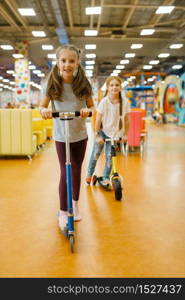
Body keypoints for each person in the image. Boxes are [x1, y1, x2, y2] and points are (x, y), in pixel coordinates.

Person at [39, 44, 94, 231]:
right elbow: (42, 106)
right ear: (57, 62)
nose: (67, 65)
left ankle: (75, 203)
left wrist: (88, 111)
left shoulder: (83, 84)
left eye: (71, 61)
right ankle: (63, 211)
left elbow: (92, 107)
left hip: (79, 134)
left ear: (77, 62)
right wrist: (45, 110)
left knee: (76, 170)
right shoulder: (53, 83)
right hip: (62, 136)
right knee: (65, 171)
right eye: (63, 61)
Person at [86, 76, 130, 187]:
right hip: (102, 131)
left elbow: (127, 119)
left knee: (110, 156)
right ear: (108, 87)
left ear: (120, 87)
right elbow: (98, 120)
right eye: (111, 85)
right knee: (96, 153)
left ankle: (105, 176)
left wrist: (125, 134)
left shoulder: (125, 102)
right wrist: (96, 135)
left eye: (117, 85)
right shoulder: (104, 102)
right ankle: (89, 174)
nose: (114, 87)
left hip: (115, 134)